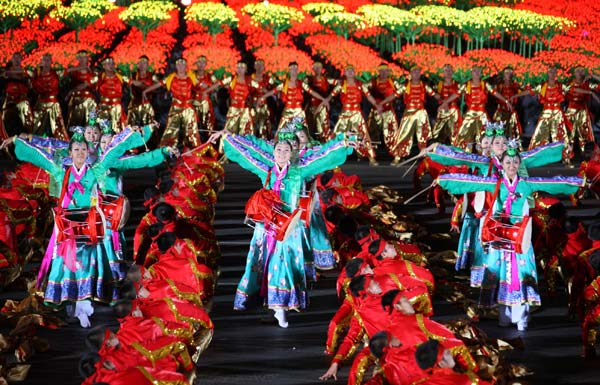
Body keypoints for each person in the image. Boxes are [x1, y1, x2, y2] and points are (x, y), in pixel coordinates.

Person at [0, 125, 149, 327]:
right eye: (76, 150)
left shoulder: (96, 170)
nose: (80, 153)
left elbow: (114, 151)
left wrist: (134, 135)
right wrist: (18, 141)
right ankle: (73, 300)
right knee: (67, 267)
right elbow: (40, 156)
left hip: (88, 229)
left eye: (83, 150)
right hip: (68, 230)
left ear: (88, 152)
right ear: (69, 153)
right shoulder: (61, 171)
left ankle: (83, 305)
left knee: (88, 266)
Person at [209, 124, 355, 328]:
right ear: (273, 151)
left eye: (286, 150)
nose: (282, 153)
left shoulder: (300, 171)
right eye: (278, 150)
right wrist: (228, 137)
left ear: (292, 152)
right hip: (266, 227)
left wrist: (342, 141)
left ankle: (281, 307)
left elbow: (324, 157)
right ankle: (270, 303)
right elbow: (245, 155)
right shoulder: (265, 170)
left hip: (289, 229)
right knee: (261, 264)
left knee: (283, 266)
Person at [437, 141, 584, 330]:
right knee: (499, 274)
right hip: (500, 237)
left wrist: (578, 182)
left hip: (520, 237)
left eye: (515, 162)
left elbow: (554, 182)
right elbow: (467, 182)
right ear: (503, 165)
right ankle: (504, 316)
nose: (512, 166)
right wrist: (443, 181)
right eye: (508, 163)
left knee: (520, 274)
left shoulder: (526, 184)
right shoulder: (495, 183)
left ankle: (521, 318)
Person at [326, 64, 380, 165]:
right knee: (338, 133)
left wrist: (377, 105)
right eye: (348, 70)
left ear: (354, 72)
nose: (350, 72)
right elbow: (331, 95)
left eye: (352, 70)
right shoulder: (341, 84)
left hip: (357, 113)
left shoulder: (360, 84)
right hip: (345, 113)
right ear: (345, 73)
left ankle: (371, 157)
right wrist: (325, 101)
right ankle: (331, 157)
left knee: (363, 134)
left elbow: (369, 96)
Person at [142, 58, 200, 148]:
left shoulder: (192, 78)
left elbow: (200, 88)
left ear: (186, 66)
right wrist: (145, 91)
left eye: (183, 65)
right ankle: (166, 151)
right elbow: (158, 84)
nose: (181, 67)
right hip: (175, 107)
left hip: (188, 107)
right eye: (178, 65)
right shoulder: (171, 78)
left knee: (191, 131)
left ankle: (194, 151)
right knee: (171, 130)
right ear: (176, 66)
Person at [453, 66, 511, 151]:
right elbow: (456, 94)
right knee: (464, 135)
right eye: (475, 71)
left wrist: (506, 101)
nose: (477, 73)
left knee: (485, 136)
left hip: (482, 114)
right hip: (470, 114)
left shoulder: (484, 84)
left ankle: (483, 157)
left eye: (479, 71)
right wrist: (445, 102)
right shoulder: (466, 85)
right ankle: (465, 157)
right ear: (471, 73)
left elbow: (494, 93)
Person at [30, 53, 69, 140]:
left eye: (48, 60)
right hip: (41, 103)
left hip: (53, 103)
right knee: (37, 126)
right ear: (41, 61)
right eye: (44, 60)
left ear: (51, 61)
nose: (46, 62)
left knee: (58, 127)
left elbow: (69, 70)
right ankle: (34, 145)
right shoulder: (36, 73)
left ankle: (62, 146)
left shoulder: (56, 73)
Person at [1, 52, 33, 139]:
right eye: (14, 58)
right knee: (6, 123)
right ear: (11, 59)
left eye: (18, 58)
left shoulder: (25, 72)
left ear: (21, 59)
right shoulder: (6, 72)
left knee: (27, 123)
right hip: (10, 102)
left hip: (23, 102)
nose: (16, 60)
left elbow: (31, 86)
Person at [65, 50, 97, 128]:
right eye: (80, 58)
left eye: (84, 58)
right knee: (74, 123)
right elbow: (63, 73)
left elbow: (88, 84)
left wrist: (71, 91)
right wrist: (77, 68)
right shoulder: (74, 71)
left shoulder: (92, 72)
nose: (82, 60)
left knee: (90, 123)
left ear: (87, 59)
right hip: (76, 100)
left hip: (89, 101)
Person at [431, 64, 461, 144]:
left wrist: (445, 103)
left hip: (453, 110)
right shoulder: (439, 84)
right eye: (446, 70)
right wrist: (443, 103)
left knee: (454, 132)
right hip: (442, 110)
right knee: (437, 132)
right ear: (443, 73)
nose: (448, 72)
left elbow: (457, 95)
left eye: (450, 70)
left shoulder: (457, 84)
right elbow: (436, 96)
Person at [97, 57, 126, 133]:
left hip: (116, 106)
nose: (111, 65)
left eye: (113, 63)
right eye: (108, 64)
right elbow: (87, 84)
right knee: (102, 128)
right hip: (104, 105)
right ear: (103, 66)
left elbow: (132, 82)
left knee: (117, 128)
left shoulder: (121, 77)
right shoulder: (99, 77)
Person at [127, 55, 156, 126]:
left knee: (148, 127)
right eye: (141, 63)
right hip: (135, 104)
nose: (142, 65)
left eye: (144, 63)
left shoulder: (152, 76)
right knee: (132, 126)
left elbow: (155, 90)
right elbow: (128, 88)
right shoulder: (133, 75)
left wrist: (141, 85)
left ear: (147, 65)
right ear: (138, 65)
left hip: (148, 104)